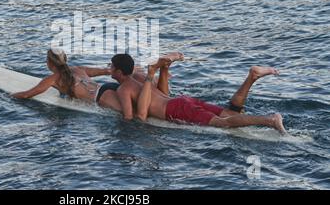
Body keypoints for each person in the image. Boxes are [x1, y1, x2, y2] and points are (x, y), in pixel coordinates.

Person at [110, 53, 287, 134]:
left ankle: (270, 120)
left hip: (176, 109)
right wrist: (159, 72)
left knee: (222, 123)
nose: (109, 69)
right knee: (232, 113)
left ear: (118, 72)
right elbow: (163, 92)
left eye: (111, 67)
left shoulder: (123, 88)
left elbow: (134, 117)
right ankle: (252, 77)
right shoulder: (139, 76)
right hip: (181, 100)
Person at [12, 48, 121, 111]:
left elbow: (27, 95)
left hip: (100, 98)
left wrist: (7, 95)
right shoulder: (79, 69)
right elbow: (107, 71)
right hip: (108, 88)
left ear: (49, 63)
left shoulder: (52, 79)